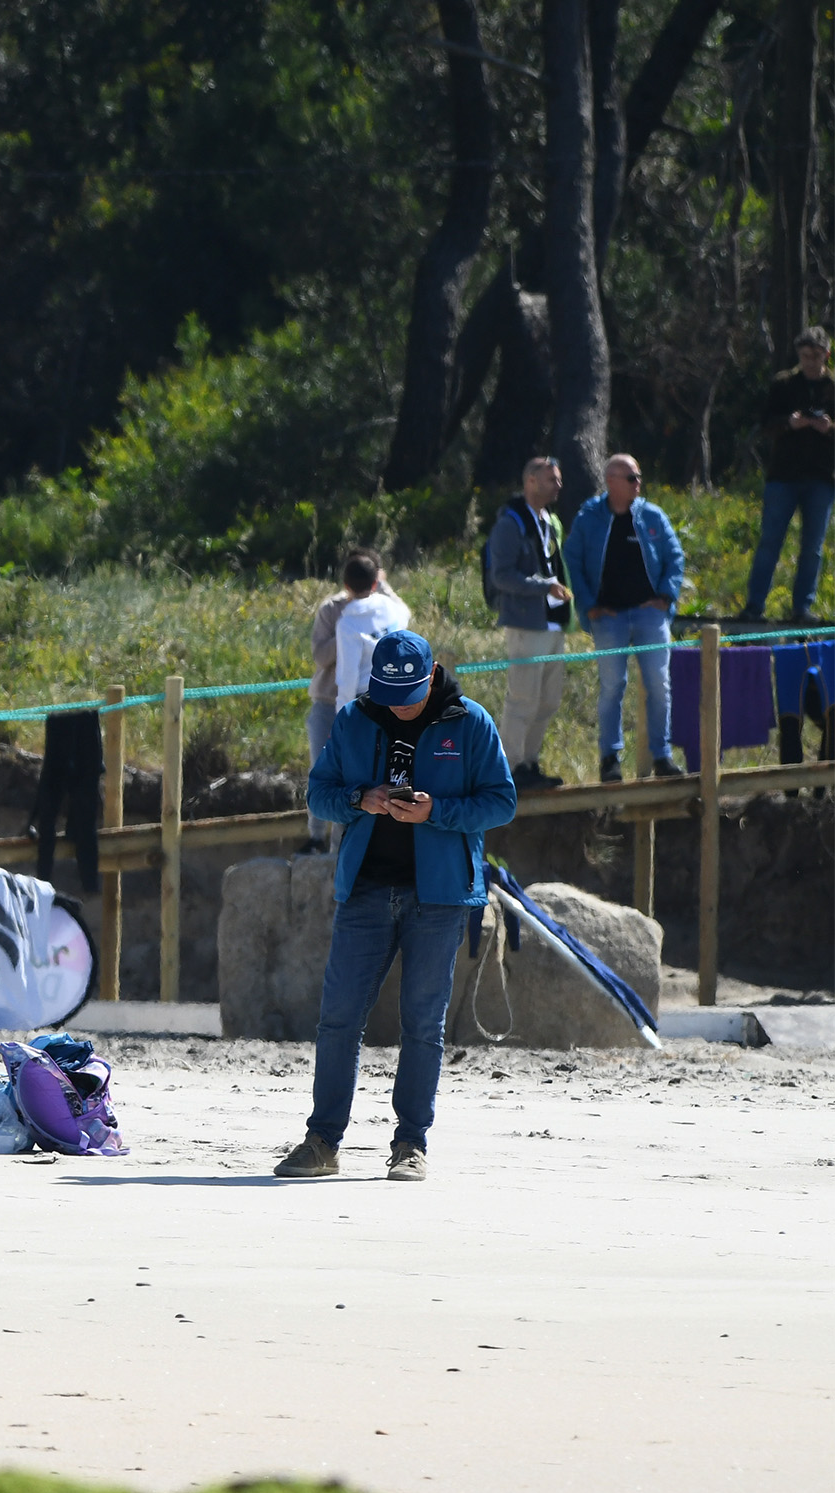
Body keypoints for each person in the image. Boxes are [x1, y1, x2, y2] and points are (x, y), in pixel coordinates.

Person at [276, 630, 517, 1182]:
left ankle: (411, 1144)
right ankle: (322, 1142)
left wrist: (437, 811)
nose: (399, 707)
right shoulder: (355, 718)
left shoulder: (472, 722)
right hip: (364, 891)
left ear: (432, 675)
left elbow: (501, 802)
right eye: (389, 695)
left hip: (440, 897)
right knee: (338, 1018)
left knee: (423, 1024)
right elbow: (318, 793)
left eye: (408, 695)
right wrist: (360, 799)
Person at [567, 453, 689, 781]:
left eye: (639, 477)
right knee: (612, 686)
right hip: (608, 617)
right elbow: (572, 558)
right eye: (632, 478)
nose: (639, 483)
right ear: (611, 482)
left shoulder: (652, 515)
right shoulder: (589, 517)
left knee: (659, 684)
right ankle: (610, 758)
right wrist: (589, 605)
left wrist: (665, 596)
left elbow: (675, 556)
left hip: (650, 616)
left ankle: (662, 756)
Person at [307, 553, 410, 844]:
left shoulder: (384, 608)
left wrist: (362, 630)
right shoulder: (334, 611)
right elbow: (321, 656)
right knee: (324, 773)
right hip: (330, 703)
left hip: (364, 706)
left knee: (360, 778)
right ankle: (316, 838)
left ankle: (343, 847)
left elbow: (403, 615)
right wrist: (354, 634)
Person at [484, 453, 572, 788]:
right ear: (531, 481)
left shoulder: (548, 520)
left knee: (548, 700)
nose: (558, 485)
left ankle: (530, 763)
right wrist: (543, 587)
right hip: (525, 624)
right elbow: (501, 576)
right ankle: (510, 767)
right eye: (552, 479)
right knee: (522, 699)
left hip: (552, 623)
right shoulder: (511, 523)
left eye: (559, 479)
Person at [741, 328, 835, 624]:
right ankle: (754, 606)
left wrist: (829, 428)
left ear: (827, 355)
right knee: (770, 541)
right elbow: (765, 424)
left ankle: (802, 609)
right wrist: (789, 423)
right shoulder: (783, 384)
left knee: (812, 548)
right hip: (783, 475)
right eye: (805, 356)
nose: (810, 362)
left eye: (816, 356)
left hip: (821, 477)